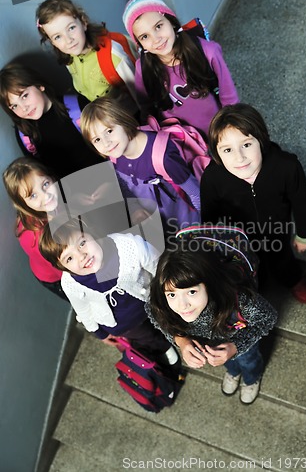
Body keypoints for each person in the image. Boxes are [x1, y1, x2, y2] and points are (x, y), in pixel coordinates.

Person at [200, 103, 306, 303]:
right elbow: (210, 215)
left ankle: (294, 279)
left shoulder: (286, 167)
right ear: (216, 153)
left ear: (261, 140)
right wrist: (213, 244)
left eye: (246, 145)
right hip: (240, 237)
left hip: (278, 228)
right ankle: (255, 288)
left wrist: (305, 235)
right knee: (248, 268)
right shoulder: (212, 177)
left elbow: (301, 202)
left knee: (282, 258)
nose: (239, 157)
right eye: (227, 150)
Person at [39, 216, 179, 367]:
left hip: (151, 302)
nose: (81, 256)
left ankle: (176, 335)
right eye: (69, 258)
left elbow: (159, 270)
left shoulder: (130, 246)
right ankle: (164, 347)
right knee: (147, 337)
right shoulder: (70, 283)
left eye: (82, 243)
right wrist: (100, 333)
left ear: (92, 233)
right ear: (63, 268)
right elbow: (83, 309)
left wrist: (170, 294)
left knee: (165, 320)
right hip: (123, 324)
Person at [148, 242, 277, 404]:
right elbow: (154, 314)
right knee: (228, 362)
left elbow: (268, 317)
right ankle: (233, 372)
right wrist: (181, 340)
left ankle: (252, 379)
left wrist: (237, 345)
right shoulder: (161, 301)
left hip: (240, 336)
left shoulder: (239, 299)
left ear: (210, 283)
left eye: (192, 292)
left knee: (248, 361)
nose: (182, 306)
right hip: (213, 346)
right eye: (172, 295)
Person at [80, 96, 201, 244]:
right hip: (162, 229)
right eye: (97, 140)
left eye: (109, 131)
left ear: (123, 121)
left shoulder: (163, 157)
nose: (106, 143)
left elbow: (195, 193)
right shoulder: (114, 156)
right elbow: (126, 187)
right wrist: (135, 208)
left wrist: (205, 228)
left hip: (189, 227)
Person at [122, 0, 239, 138]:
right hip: (181, 139)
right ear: (140, 44)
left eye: (158, 26)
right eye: (145, 36)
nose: (156, 39)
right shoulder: (143, 68)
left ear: (171, 22)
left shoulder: (207, 52)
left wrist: (233, 125)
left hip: (218, 129)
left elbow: (228, 94)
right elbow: (147, 108)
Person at [36, 0, 138, 113]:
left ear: (84, 22)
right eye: (58, 37)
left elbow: (141, 95)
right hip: (105, 119)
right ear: (51, 41)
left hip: (131, 117)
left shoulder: (113, 54)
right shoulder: (70, 57)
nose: (68, 40)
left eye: (71, 28)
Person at [0, 62, 104, 178]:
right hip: (68, 191)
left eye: (24, 96)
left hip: (106, 176)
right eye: (14, 106)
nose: (23, 108)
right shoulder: (24, 134)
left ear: (40, 85)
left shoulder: (77, 107)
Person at [2, 157, 68, 300]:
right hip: (58, 277)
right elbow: (65, 272)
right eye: (33, 195)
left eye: (45, 184)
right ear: (22, 204)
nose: (46, 196)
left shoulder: (56, 201)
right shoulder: (34, 238)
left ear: (51, 178)